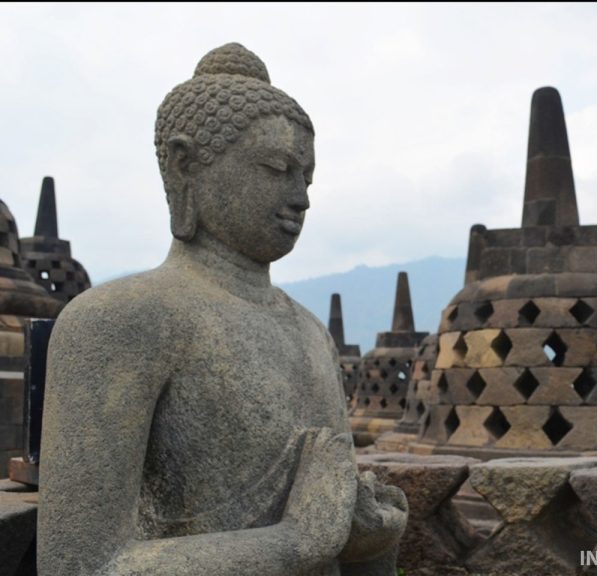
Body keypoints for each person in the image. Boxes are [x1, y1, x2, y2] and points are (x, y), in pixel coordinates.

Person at [38, 43, 407, 576]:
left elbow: (337, 539)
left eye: (306, 177)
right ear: (185, 164)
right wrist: (295, 543)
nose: (300, 197)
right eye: (277, 168)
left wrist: (368, 542)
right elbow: (80, 566)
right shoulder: (119, 321)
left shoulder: (311, 336)